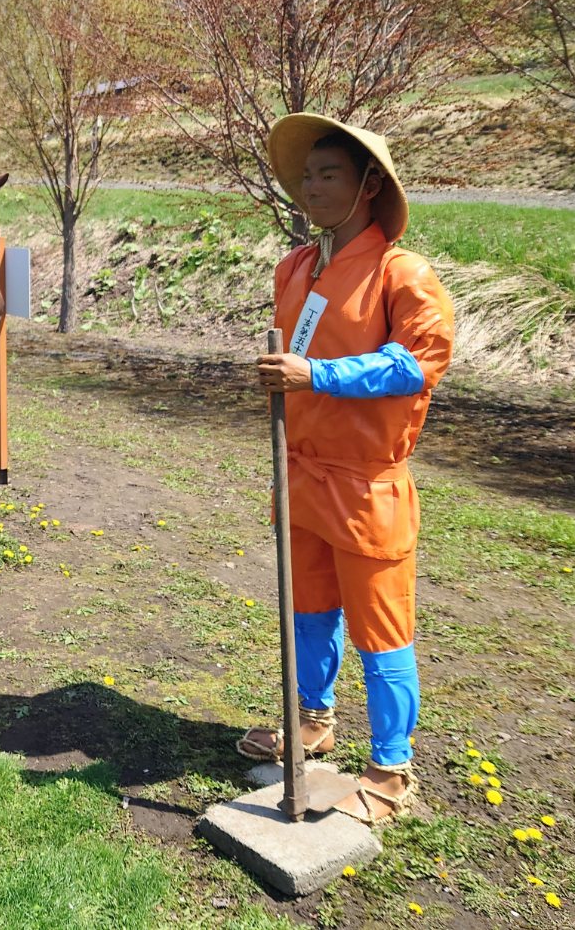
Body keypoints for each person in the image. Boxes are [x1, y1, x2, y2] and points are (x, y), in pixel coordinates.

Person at [240, 113, 455, 827]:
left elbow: (417, 362)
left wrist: (318, 373)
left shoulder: (403, 273)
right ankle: (312, 719)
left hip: (367, 483)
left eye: (328, 174)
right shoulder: (296, 267)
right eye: (306, 176)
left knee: (383, 628)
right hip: (300, 471)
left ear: (368, 184)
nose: (312, 187)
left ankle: (391, 768)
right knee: (308, 609)